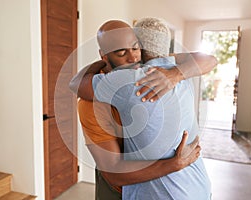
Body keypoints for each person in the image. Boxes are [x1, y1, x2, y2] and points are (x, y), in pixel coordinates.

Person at [70, 19, 216, 199]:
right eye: (122, 52)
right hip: (195, 188)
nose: (132, 58)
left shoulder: (160, 75)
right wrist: (174, 164)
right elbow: (113, 173)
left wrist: (175, 73)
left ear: (144, 51)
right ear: (105, 55)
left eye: (136, 48)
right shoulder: (183, 73)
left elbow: (75, 83)